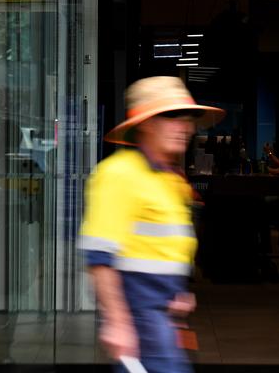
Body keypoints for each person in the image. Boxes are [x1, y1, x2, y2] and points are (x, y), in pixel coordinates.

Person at [78, 76, 224, 373]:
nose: (184, 127)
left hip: (162, 314)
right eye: (171, 117)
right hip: (139, 314)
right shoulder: (119, 174)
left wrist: (178, 292)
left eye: (188, 118)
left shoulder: (168, 179)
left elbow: (163, 247)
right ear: (145, 123)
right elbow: (99, 258)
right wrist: (117, 323)